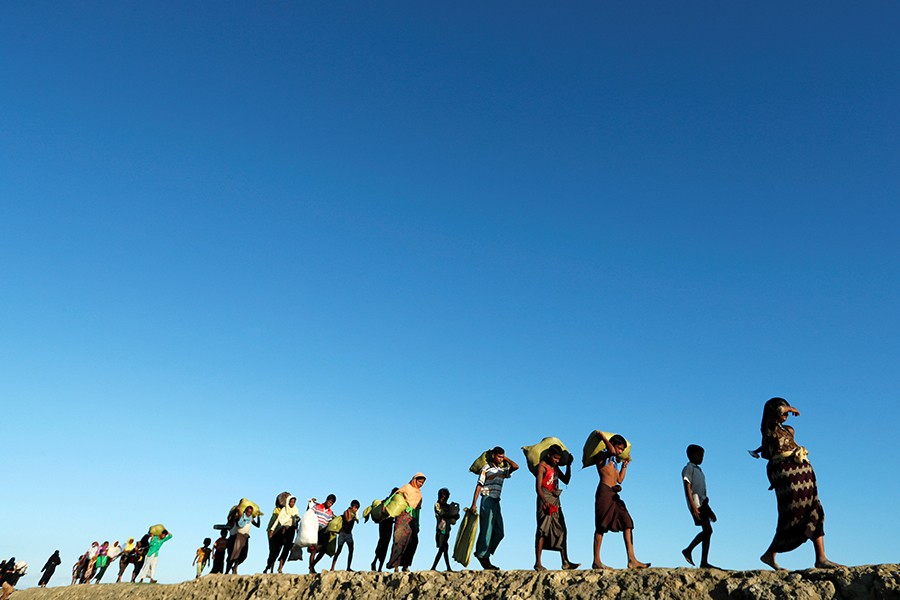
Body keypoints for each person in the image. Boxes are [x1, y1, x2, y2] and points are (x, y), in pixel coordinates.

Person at [753, 397, 841, 570]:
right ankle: (770, 554)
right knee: (792, 514)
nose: (786, 413)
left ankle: (821, 558)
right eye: (783, 408)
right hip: (788, 477)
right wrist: (790, 408)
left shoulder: (784, 430)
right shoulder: (768, 427)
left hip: (804, 477)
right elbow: (777, 411)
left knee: (815, 509)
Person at [592, 431, 649, 569]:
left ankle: (632, 559)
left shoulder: (613, 462)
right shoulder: (602, 455)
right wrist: (603, 438)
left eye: (622, 449)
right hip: (604, 493)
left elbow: (620, 479)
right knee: (601, 526)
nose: (620, 451)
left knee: (627, 522)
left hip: (614, 495)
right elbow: (611, 450)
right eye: (619, 448)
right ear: (612, 445)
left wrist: (624, 466)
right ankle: (596, 560)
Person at [470, 446, 519, 570]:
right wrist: (474, 504)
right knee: (486, 529)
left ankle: (484, 553)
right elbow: (479, 486)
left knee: (499, 532)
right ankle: (483, 556)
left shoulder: (502, 470)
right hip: (487, 499)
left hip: (496, 501)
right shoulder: (486, 468)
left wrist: (504, 458)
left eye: (502, 456)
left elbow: (516, 466)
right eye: (499, 456)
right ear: (493, 456)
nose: (501, 458)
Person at [534, 444, 579, 571]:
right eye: (555, 458)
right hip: (545, 499)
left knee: (561, 528)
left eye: (559, 459)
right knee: (543, 529)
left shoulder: (556, 468)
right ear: (549, 455)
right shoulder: (542, 467)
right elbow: (538, 487)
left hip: (555, 500)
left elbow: (566, 480)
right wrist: (544, 502)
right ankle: (538, 562)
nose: (557, 461)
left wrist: (569, 465)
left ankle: (565, 561)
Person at [681, 445, 718, 569]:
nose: (701, 458)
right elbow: (688, 488)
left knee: (708, 532)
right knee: (708, 531)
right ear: (691, 455)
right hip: (696, 504)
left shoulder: (700, 471)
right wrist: (693, 506)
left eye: (702, 456)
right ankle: (688, 550)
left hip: (703, 504)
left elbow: (702, 491)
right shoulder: (688, 469)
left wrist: (709, 509)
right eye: (699, 455)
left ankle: (704, 561)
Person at [388, 473, 426, 572]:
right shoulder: (406, 487)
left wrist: (417, 523)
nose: (420, 484)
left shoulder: (419, 494)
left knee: (412, 542)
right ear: (414, 480)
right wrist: (386, 505)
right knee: (399, 541)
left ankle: (406, 565)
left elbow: (418, 510)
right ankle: (395, 565)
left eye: (422, 482)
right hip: (402, 518)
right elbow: (395, 497)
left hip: (412, 520)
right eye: (419, 481)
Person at [265, 495, 299, 573]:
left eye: (294, 502)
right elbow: (278, 520)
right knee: (277, 549)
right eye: (291, 501)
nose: (292, 503)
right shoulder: (284, 510)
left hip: (291, 531)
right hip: (283, 530)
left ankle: (280, 567)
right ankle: (269, 566)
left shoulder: (296, 510)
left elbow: (296, 521)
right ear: (288, 502)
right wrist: (272, 530)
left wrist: (297, 529)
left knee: (286, 549)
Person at [371, 487, 398, 572]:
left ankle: (378, 566)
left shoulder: (394, 504)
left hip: (388, 524)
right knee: (383, 543)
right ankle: (375, 562)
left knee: (384, 544)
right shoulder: (386, 501)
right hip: (384, 524)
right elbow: (383, 511)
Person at [430, 488, 457, 571]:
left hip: (447, 530)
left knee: (443, 548)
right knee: (443, 548)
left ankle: (435, 567)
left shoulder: (448, 506)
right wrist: (452, 516)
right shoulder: (437, 505)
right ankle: (447, 567)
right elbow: (442, 514)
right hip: (441, 530)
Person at [309, 494, 336, 574]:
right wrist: (310, 504)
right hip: (315, 529)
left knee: (323, 550)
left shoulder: (330, 512)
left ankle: (312, 565)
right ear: (326, 499)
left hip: (323, 531)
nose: (329, 504)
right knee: (313, 550)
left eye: (331, 503)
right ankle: (311, 569)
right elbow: (309, 513)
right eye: (329, 502)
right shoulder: (317, 507)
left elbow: (329, 522)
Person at [228, 506, 260, 574]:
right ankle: (233, 569)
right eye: (248, 512)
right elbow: (236, 522)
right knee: (236, 553)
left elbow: (258, 525)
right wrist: (236, 511)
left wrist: (259, 517)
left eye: (250, 512)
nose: (249, 513)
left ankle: (235, 567)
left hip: (246, 537)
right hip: (239, 536)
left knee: (244, 555)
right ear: (245, 511)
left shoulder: (250, 519)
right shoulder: (240, 517)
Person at [331, 500, 360, 571]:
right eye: (355, 508)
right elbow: (348, 520)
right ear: (352, 506)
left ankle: (348, 567)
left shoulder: (353, 514)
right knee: (339, 551)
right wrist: (354, 518)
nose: (356, 509)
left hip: (348, 534)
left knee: (351, 550)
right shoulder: (347, 511)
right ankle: (332, 567)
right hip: (343, 534)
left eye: (357, 508)